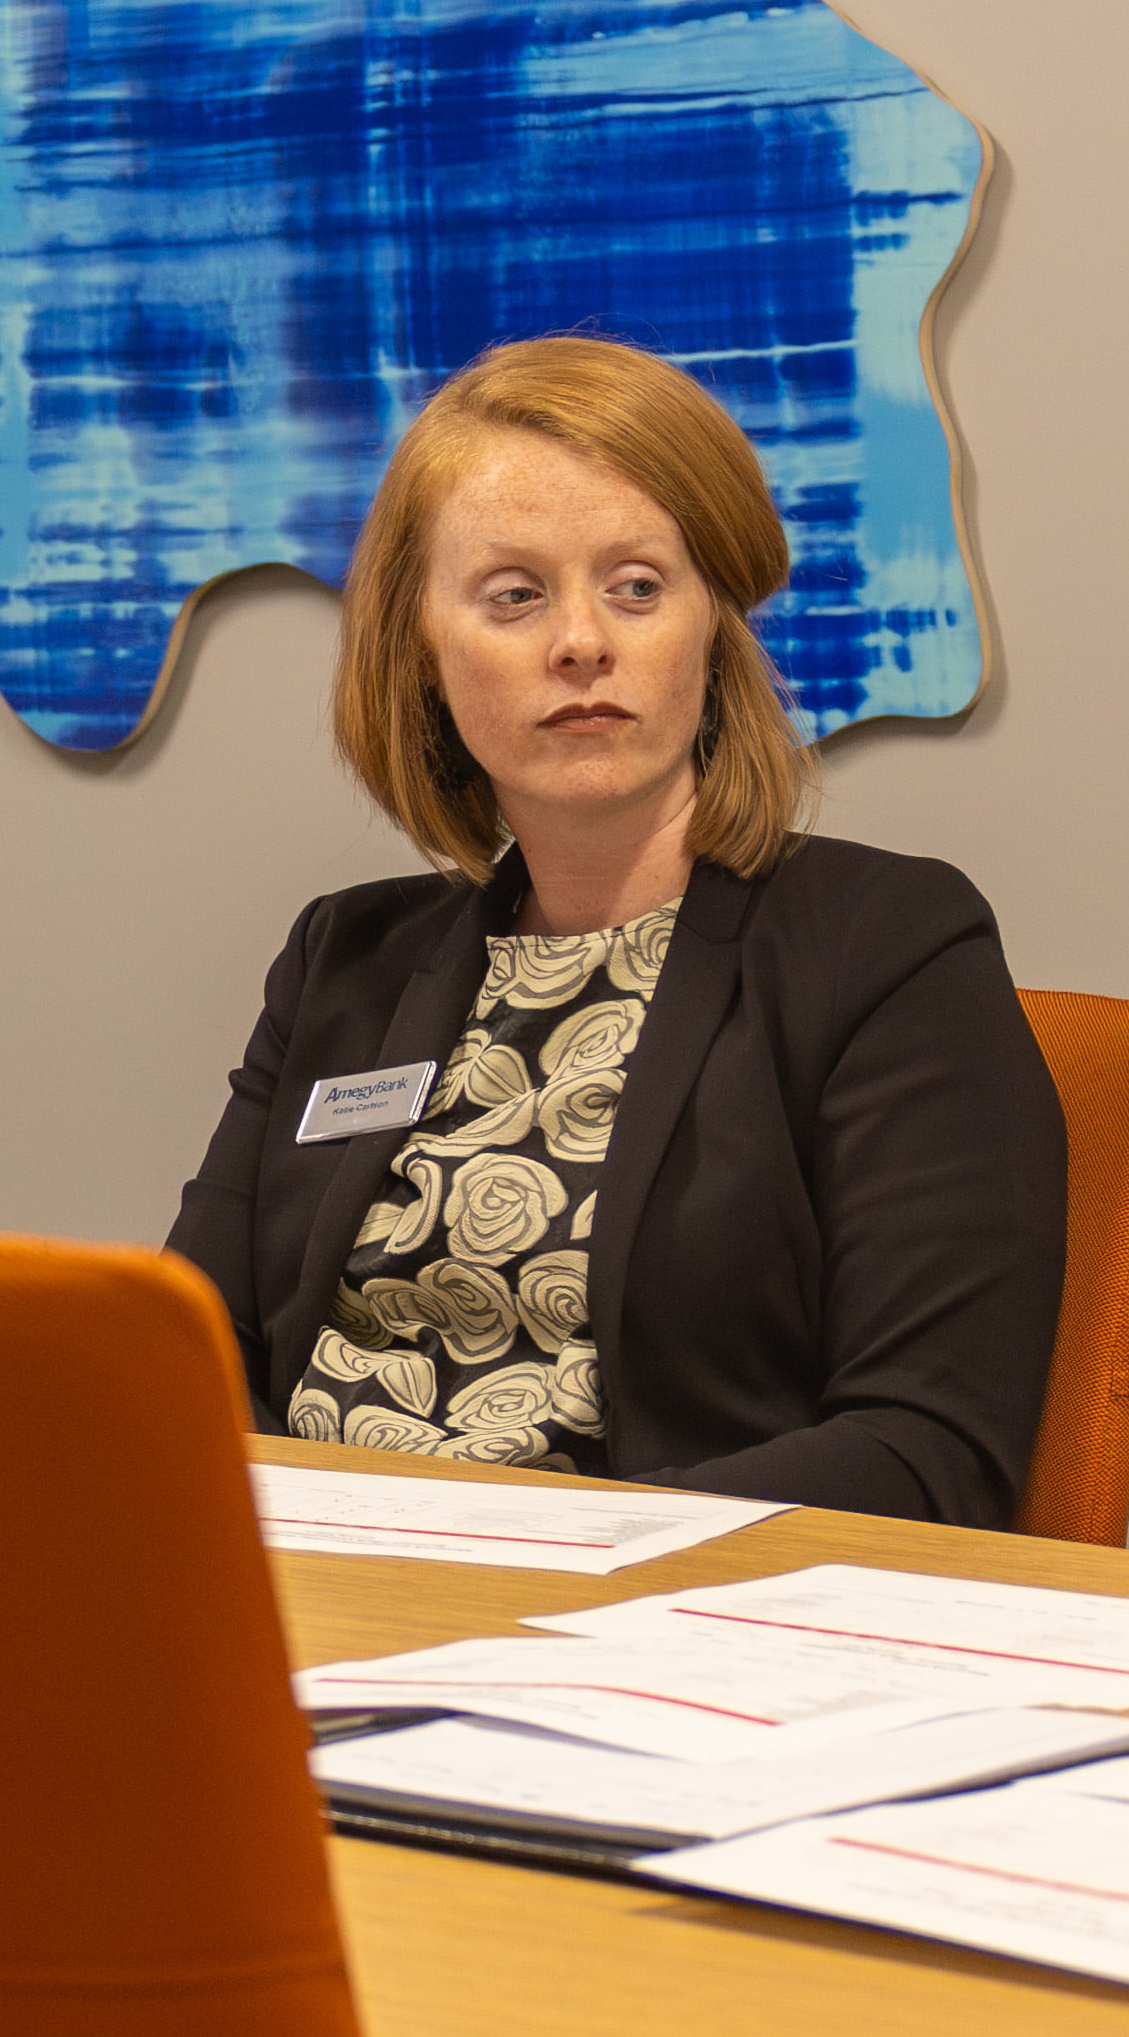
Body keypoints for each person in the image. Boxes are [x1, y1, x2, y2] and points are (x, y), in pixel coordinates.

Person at [164, 335, 1061, 1513]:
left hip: (640, 1637)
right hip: (309, 1601)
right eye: (513, 594)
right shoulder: (344, 959)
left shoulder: (883, 948)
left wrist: (523, 1556)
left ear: (708, 628)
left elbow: (927, 1453)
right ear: (423, 652)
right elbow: (186, 1359)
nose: (581, 640)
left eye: (636, 585)